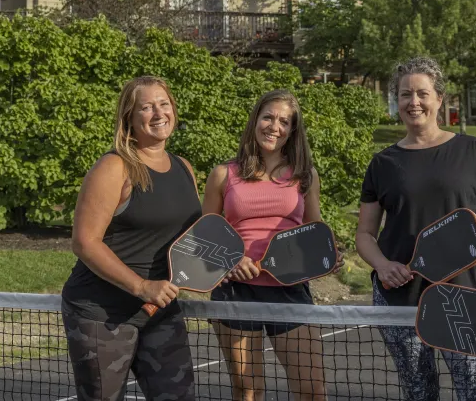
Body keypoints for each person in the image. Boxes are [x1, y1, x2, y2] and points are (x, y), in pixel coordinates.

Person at [356, 57, 476, 401]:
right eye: (405, 95)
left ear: (439, 99)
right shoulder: (382, 163)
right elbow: (365, 235)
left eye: (422, 93)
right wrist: (383, 266)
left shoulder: (471, 150)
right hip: (400, 299)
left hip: (465, 297)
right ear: (396, 101)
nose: (413, 102)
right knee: (420, 394)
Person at [61, 75, 201, 401]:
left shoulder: (184, 168)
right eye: (147, 107)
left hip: (161, 311)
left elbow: (191, 239)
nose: (158, 113)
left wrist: (230, 264)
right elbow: (84, 242)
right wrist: (141, 286)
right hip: (102, 313)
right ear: (130, 117)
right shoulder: (115, 167)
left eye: (163, 104)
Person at [203, 90, 336, 401]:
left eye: (284, 121)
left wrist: (326, 257)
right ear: (255, 121)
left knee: (312, 391)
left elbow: (313, 232)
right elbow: (205, 235)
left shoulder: (306, 176)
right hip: (235, 290)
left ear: (292, 131)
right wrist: (229, 261)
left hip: (290, 290)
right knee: (248, 391)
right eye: (268, 117)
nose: (274, 126)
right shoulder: (224, 174)